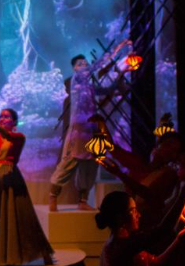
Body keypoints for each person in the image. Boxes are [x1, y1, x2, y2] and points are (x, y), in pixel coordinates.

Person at [49, 39, 131, 211]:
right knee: (68, 164)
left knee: (90, 165)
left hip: (91, 130)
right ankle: (53, 197)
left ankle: (83, 201)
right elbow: (97, 65)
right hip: (78, 132)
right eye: (80, 64)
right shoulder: (76, 80)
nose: (84, 66)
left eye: (85, 63)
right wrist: (118, 48)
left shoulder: (90, 87)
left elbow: (108, 89)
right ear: (75, 68)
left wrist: (124, 70)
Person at [0, 110, 53, 266]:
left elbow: (7, 135)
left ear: (14, 122)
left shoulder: (19, 137)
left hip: (10, 175)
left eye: (6, 117)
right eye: (1, 116)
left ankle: (19, 255)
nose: (3, 119)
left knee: (15, 214)